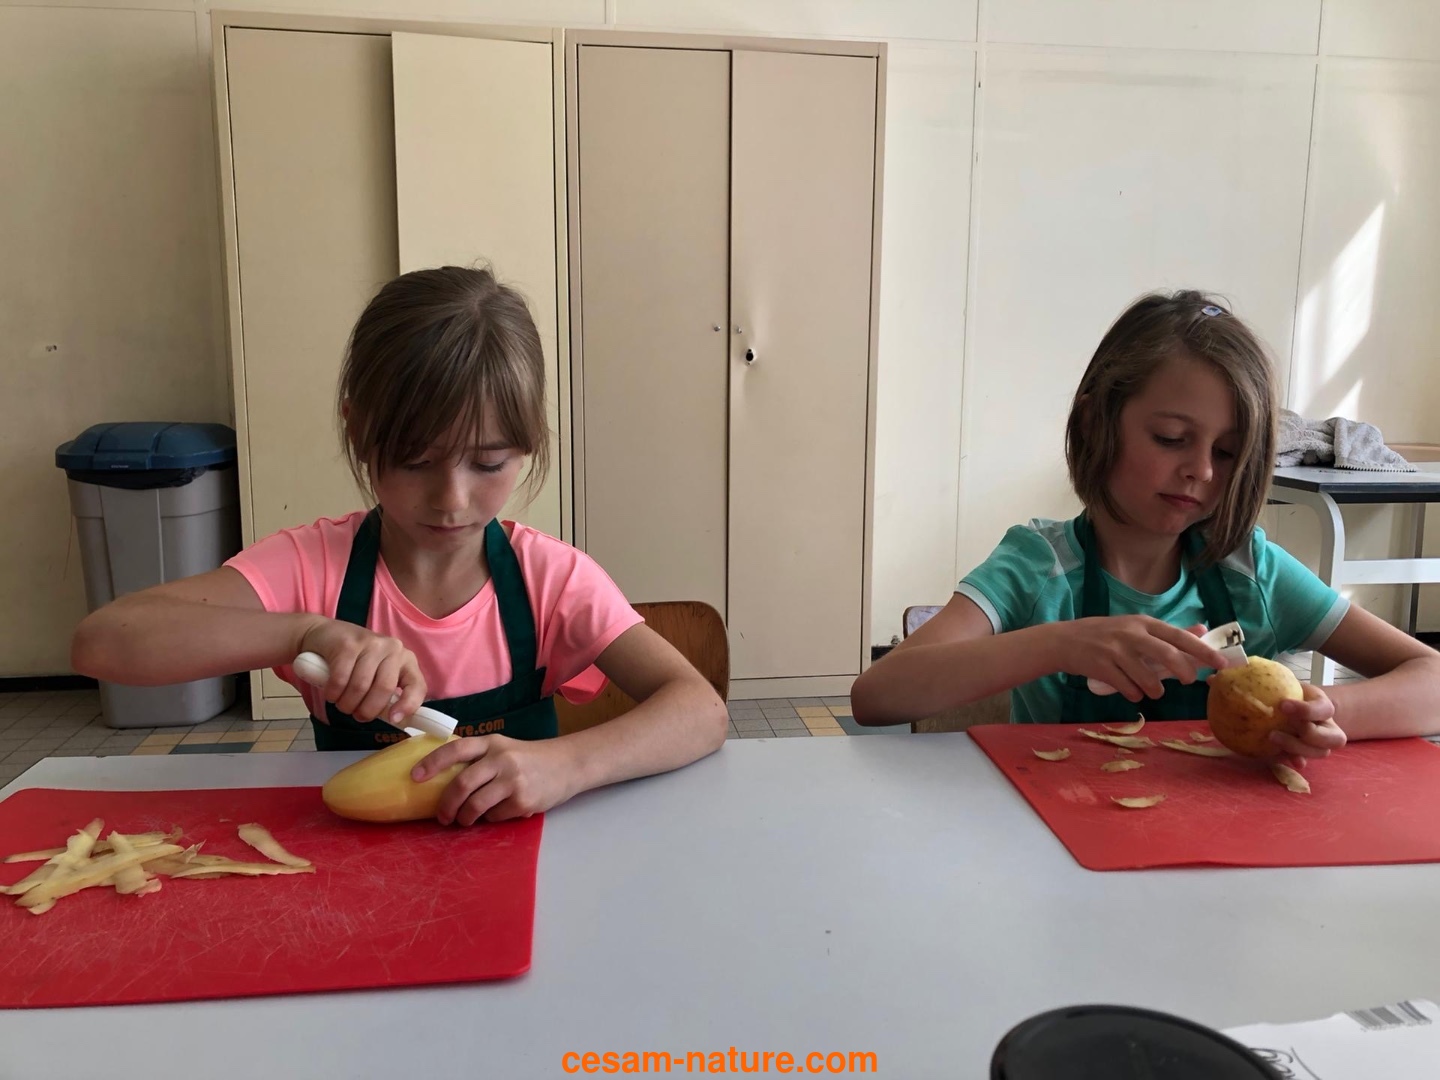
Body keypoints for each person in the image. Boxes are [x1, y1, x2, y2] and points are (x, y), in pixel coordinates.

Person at [73, 266, 727, 822]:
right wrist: (303, 634)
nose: (451, 499)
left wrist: (565, 766)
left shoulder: (550, 581)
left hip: (528, 870)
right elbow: (103, 642)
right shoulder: (313, 570)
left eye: (488, 463)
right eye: (416, 461)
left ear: (528, 444)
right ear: (359, 432)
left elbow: (701, 711)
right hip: (356, 879)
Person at [852, 290, 1440, 763]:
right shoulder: (1039, 567)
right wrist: (1059, 643)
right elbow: (877, 696)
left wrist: (1318, 713)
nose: (1201, 470)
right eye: (1171, 438)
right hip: (1060, 841)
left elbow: (1432, 679)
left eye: (1228, 452)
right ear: (1096, 422)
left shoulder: (1251, 572)